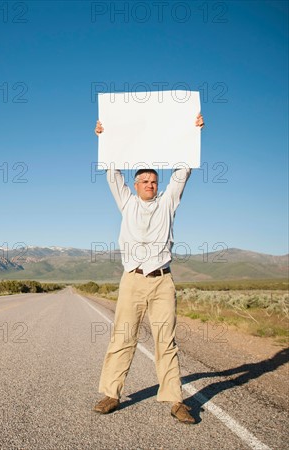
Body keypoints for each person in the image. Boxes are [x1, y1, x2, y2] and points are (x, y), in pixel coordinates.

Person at [92, 113, 204, 424]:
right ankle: (111, 394)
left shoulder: (168, 202)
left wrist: (192, 133)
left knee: (165, 340)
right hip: (133, 280)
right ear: (136, 184)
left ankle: (175, 400)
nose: (150, 185)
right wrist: (104, 137)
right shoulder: (126, 202)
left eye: (154, 181)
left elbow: (182, 172)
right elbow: (112, 172)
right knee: (123, 336)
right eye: (145, 181)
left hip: (162, 281)